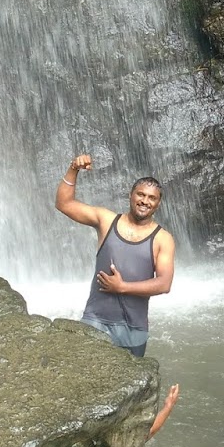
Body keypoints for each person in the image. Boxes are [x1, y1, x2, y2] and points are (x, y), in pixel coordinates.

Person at [54, 153, 175, 357]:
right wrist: (73, 168)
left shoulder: (163, 238)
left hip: (134, 329)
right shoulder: (106, 221)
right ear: (131, 195)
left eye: (151, 198)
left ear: (158, 203)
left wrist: (122, 287)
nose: (145, 201)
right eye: (140, 194)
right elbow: (64, 204)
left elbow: (164, 284)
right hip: (95, 321)